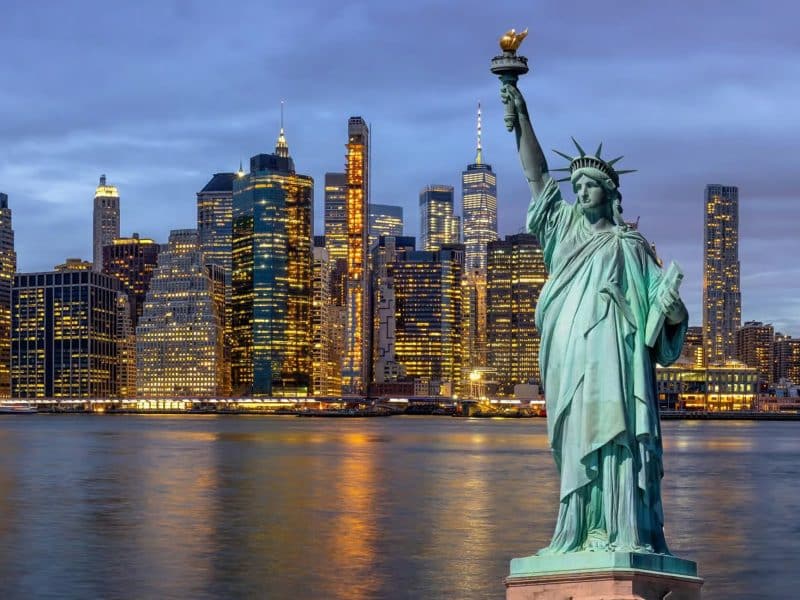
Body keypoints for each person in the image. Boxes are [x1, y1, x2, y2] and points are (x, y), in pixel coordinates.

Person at [500, 83, 688, 554]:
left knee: (619, 436)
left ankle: (621, 530)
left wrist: (674, 311)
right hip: (570, 354)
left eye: (589, 186)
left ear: (609, 194)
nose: (580, 191)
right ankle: (578, 529)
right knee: (577, 437)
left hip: (618, 359)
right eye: (577, 185)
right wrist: (521, 116)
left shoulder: (631, 246)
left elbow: (661, 321)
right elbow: (537, 176)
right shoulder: (562, 227)